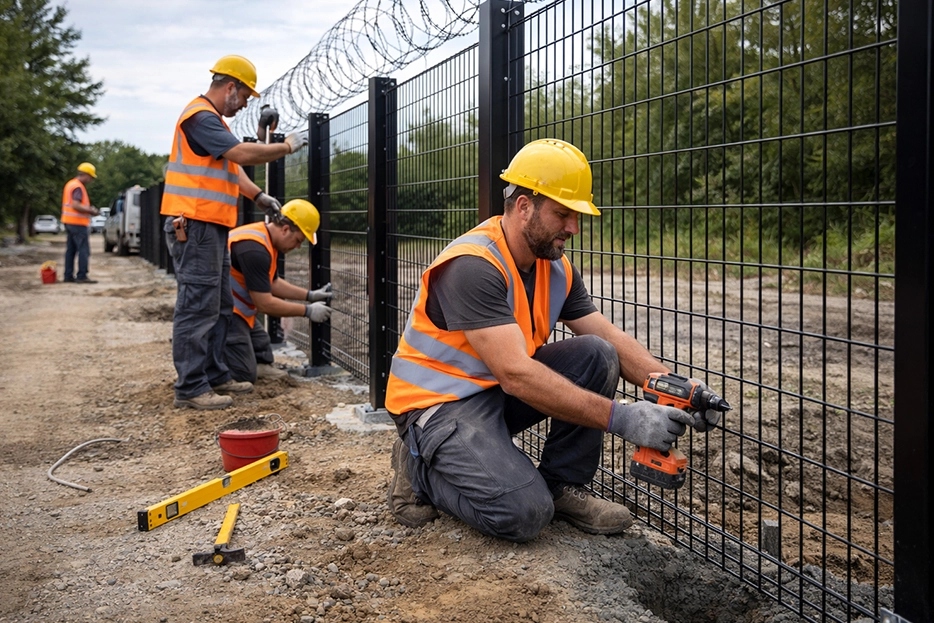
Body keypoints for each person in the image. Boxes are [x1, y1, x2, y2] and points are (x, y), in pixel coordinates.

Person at [384, 138, 719, 542]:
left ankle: (563, 486)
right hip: (436, 407)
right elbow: (516, 374)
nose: (573, 228)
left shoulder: (554, 268)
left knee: (598, 354)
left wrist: (676, 389)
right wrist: (622, 418)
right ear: (524, 206)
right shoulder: (473, 266)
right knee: (524, 514)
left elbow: (606, 335)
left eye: (576, 216)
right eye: (563, 214)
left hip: (490, 393)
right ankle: (419, 467)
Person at [160, 54, 308, 411]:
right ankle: (192, 387)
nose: (242, 104)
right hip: (194, 224)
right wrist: (285, 146)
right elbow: (240, 154)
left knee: (220, 305)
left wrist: (257, 196)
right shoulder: (200, 116)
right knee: (197, 307)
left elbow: (229, 166)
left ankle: (214, 373)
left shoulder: (212, 122)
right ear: (230, 87)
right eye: (243, 97)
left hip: (210, 227)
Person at [224, 199, 332, 383]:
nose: (297, 246)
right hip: (222, 312)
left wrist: (310, 295)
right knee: (243, 374)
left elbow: (272, 283)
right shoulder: (254, 249)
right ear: (285, 229)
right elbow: (264, 303)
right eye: (298, 240)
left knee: (262, 346)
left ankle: (251, 364)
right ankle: (215, 363)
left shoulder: (264, 239)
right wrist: (307, 311)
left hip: (238, 310)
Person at [61, 162, 101, 284]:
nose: (91, 180)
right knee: (83, 250)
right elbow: (76, 205)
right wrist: (91, 210)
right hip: (77, 223)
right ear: (86, 175)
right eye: (91, 177)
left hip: (69, 222)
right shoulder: (77, 187)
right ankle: (82, 275)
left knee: (71, 250)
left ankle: (68, 275)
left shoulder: (70, 184)